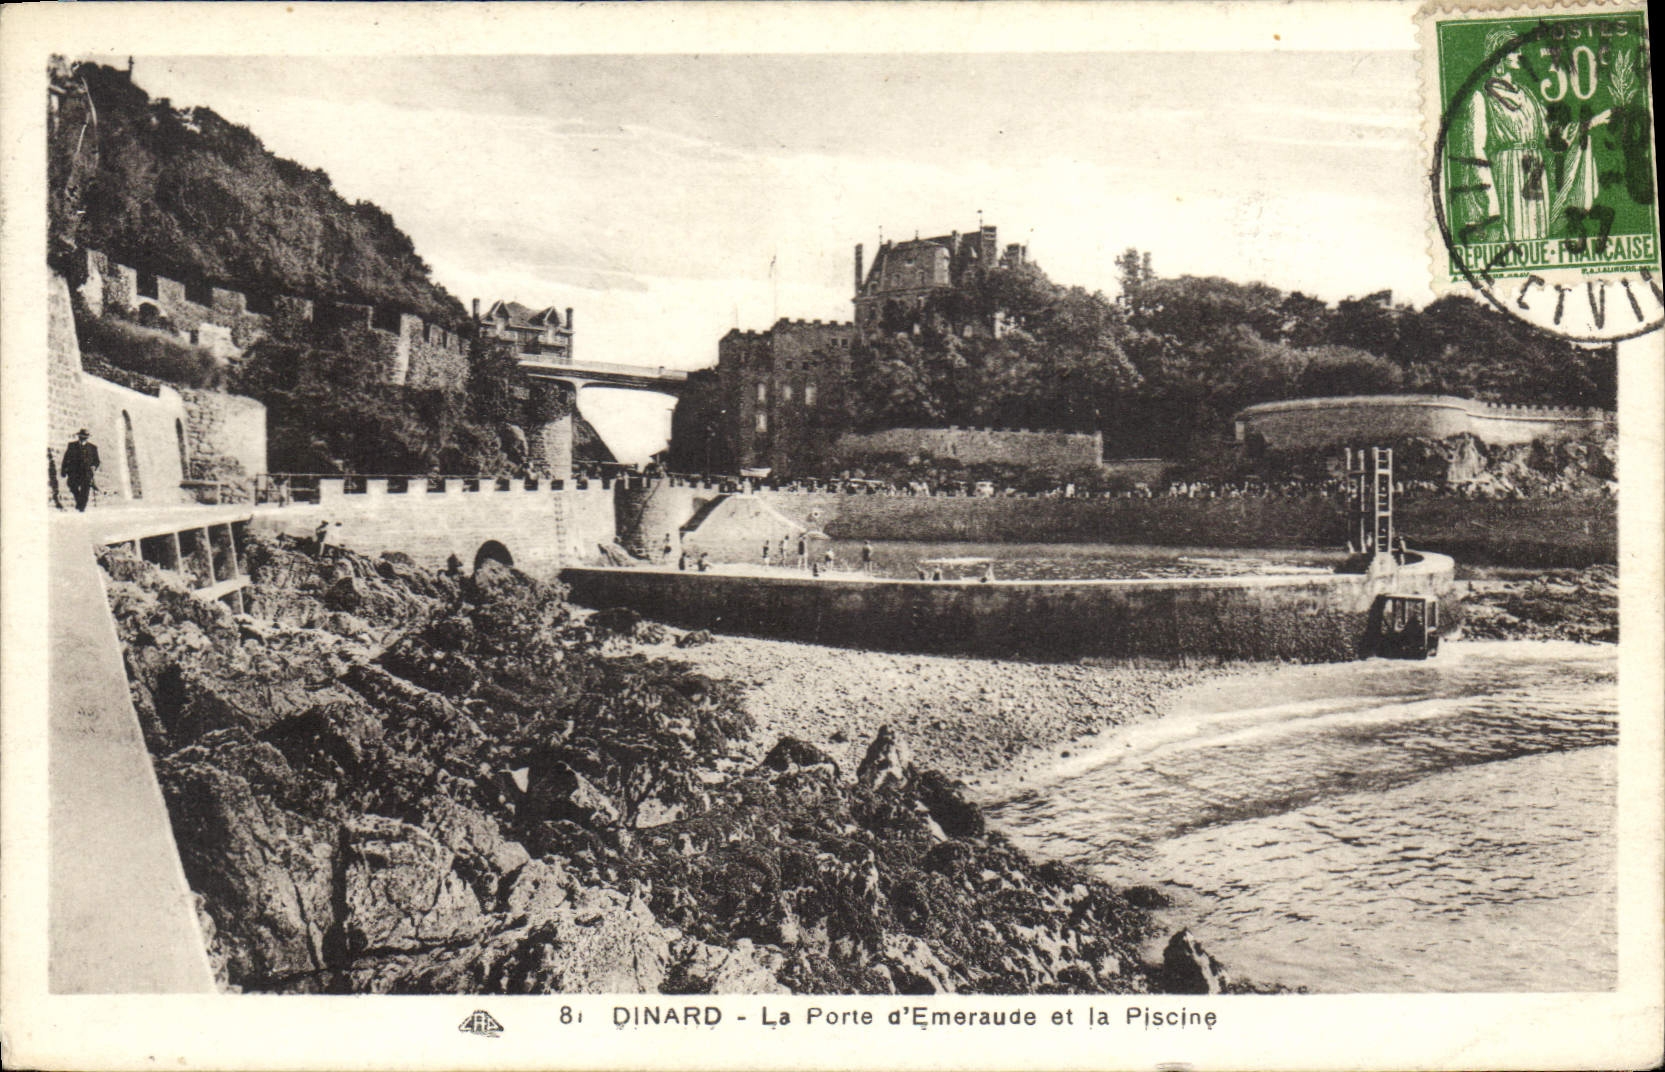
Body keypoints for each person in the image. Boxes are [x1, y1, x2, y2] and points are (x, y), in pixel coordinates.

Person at [60, 429, 100, 512]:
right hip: (74, 472)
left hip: (87, 472)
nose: (83, 438)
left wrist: (94, 466)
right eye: (81, 437)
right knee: (72, 486)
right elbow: (66, 458)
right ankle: (80, 502)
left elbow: (97, 461)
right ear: (78, 436)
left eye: (85, 437)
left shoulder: (93, 448)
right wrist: (63, 470)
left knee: (85, 490)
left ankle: (81, 507)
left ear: (87, 438)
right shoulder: (72, 446)